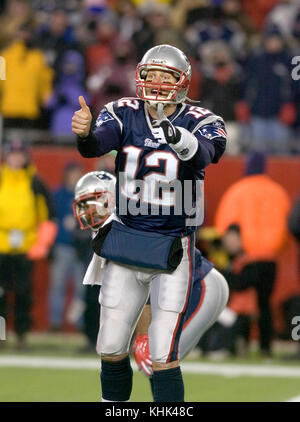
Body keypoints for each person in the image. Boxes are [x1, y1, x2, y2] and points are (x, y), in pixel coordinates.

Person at [72, 44, 227, 402]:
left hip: (174, 246)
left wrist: (177, 138)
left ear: (182, 82)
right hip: (126, 240)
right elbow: (96, 145)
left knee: (161, 354)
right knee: (110, 345)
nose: (156, 82)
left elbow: (207, 153)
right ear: (138, 77)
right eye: (150, 75)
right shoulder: (122, 112)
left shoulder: (201, 120)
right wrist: (84, 133)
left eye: (166, 76)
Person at [73, 170, 229, 382]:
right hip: (187, 289)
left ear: (112, 198)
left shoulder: (128, 228)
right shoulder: (109, 232)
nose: (88, 211)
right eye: (84, 205)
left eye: (94, 202)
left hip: (201, 287)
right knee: (155, 366)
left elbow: (145, 287)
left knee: (160, 362)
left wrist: (144, 337)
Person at [215, 151, 291, 357]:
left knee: (239, 303)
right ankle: (266, 348)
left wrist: (236, 253)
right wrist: (274, 248)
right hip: (269, 258)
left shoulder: (238, 191)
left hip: (246, 259)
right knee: (264, 305)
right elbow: (288, 227)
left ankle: (240, 344)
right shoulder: (278, 192)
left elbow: (225, 226)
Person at [0, 139, 57, 349]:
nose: (16, 158)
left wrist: (42, 244)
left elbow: (48, 216)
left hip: (26, 246)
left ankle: (21, 336)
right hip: (2, 246)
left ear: (25, 157)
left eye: (19, 154)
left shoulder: (35, 181)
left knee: (24, 295)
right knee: (1, 296)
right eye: (12, 154)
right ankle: (1, 336)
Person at [48, 162, 86, 332]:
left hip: (81, 248)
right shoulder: (58, 195)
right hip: (62, 246)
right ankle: (55, 323)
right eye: (72, 173)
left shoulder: (86, 195)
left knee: (81, 288)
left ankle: (80, 324)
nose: (75, 177)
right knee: (58, 286)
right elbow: (50, 220)